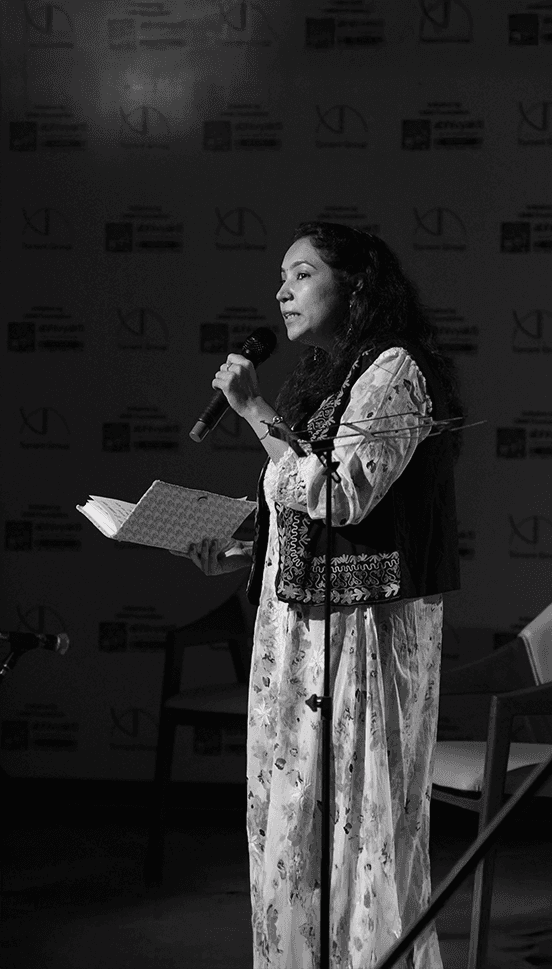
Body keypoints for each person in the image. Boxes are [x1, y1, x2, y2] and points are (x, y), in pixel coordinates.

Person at [187, 222, 461, 969]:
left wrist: (254, 412)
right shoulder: (327, 380)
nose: (282, 291)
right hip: (298, 638)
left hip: (360, 637)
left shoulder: (395, 370)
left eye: (302, 274)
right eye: (281, 277)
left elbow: (341, 496)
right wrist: (240, 551)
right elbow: (304, 513)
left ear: (357, 285)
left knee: (360, 830)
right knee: (295, 831)